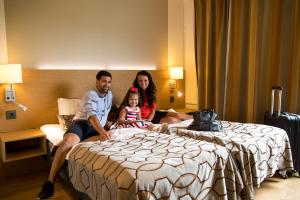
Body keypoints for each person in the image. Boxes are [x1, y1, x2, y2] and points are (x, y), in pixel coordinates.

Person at [37, 70, 113, 199]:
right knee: (67, 144)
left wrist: (108, 124)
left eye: (109, 82)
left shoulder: (110, 95)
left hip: (96, 127)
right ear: (97, 82)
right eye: (104, 81)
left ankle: (61, 145)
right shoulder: (90, 94)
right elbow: (92, 116)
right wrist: (102, 132)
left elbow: (104, 114)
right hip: (82, 125)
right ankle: (49, 182)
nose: (107, 84)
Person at [121, 70, 192, 124]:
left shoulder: (150, 92)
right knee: (172, 120)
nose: (143, 83)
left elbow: (153, 110)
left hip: (152, 115)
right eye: (140, 81)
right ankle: (188, 123)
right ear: (137, 82)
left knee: (178, 114)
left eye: (145, 80)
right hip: (141, 119)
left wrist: (149, 120)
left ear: (149, 81)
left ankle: (196, 119)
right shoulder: (134, 91)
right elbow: (125, 105)